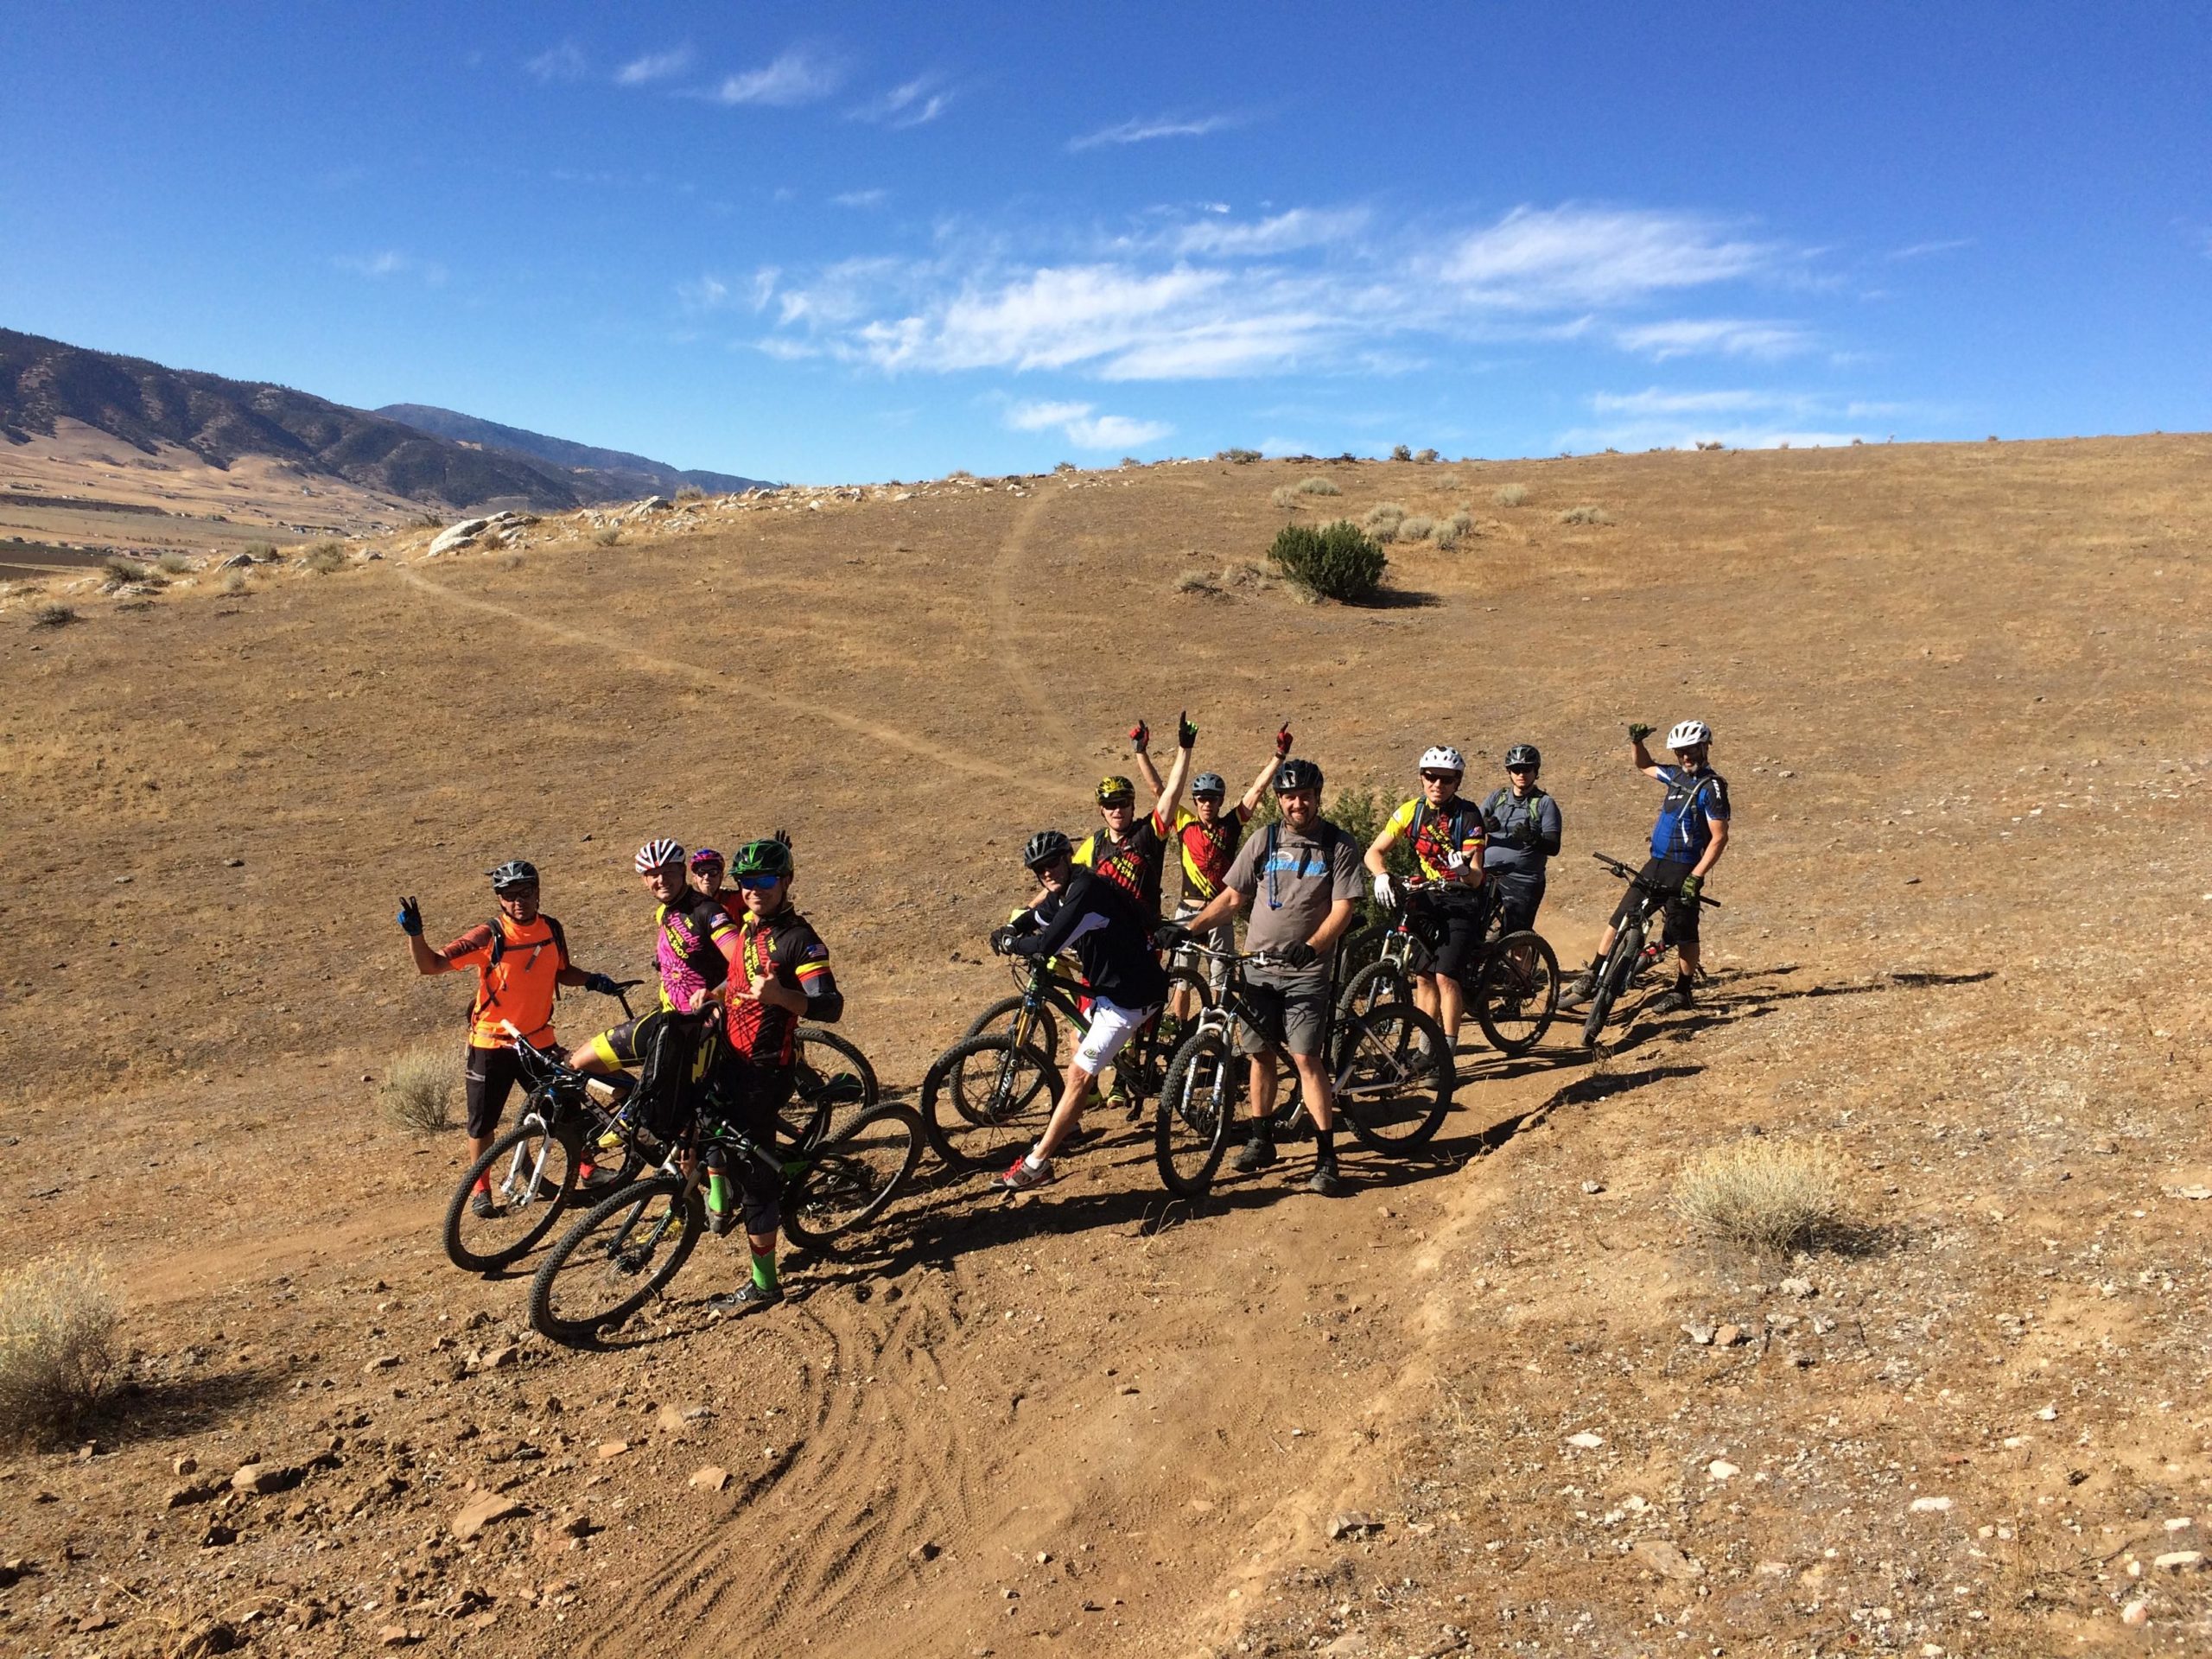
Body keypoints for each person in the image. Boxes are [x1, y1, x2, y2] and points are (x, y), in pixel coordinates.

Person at [1174, 758, 1363, 1196]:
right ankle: (1261, 1138)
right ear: (1279, 799)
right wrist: (1188, 928)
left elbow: (1344, 909)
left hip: (1307, 972)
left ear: (1318, 796)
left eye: (1306, 795)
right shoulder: (1265, 838)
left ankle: (1326, 1157)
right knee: (1259, 1054)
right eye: (1290, 796)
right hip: (1257, 968)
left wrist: (1313, 946)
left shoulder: (1337, 843)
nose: (1298, 803)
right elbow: (1234, 896)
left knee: (1305, 1058)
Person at [396, 860, 618, 1217]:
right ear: (499, 899)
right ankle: (481, 1191)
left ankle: (587, 1171)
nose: (518, 901)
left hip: (537, 1039)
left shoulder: (552, 929)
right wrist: (415, 935)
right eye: (509, 895)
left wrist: (592, 980)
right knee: (483, 1122)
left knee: (563, 1106)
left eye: (525, 892)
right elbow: (431, 965)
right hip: (492, 1043)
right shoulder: (489, 935)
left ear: (538, 891)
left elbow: (562, 971)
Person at [703, 837, 846, 1317]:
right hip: (731, 1057)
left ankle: (765, 1284)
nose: (754, 890)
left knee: (758, 1180)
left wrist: (782, 997)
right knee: (711, 1126)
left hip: (766, 1070)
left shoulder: (800, 940)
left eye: (765, 880)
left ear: (786, 882)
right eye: (746, 882)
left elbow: (831, 1006)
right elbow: (741, 980)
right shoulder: (749, 927)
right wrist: (714, 995)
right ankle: (723, 1202)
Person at [988, 830, 1170, 1194]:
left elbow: (1046, 944)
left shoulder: (1086, 891)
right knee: (1076, 1036)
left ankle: (1038, 1163)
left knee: (1078, 1076)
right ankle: (1074, 1116)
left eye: (1053, 862)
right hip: (1108, 990)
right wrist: (1011, 926)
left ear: (1068, 858)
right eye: (1039, 869)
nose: (1047, 872)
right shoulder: (1066, 890)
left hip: (1128, 997)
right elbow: (1038, 916)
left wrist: (1012, 942)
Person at [1560, 720, 1732, 1016]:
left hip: (1685, 868)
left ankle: (1682, 991)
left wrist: (1696, 876)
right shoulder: (1677, 775)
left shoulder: (1712, 787)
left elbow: (1719, 838)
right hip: (1655, 863)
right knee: (1620, 917)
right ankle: (1595, 973)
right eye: (1681, 752)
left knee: (1685, 934)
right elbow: (1645, 765)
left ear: (1705, 747)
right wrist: (1636, 743)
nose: (1686, 756)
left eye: (1691, 750)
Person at [1141, 722, 1293, 1017]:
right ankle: (1181, 1034)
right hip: (1188, 909)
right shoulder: (1184, 821)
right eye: (1202, 798)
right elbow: (1159, 790)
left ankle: (1215, 1033)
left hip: (1220, 913)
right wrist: (1141, 752)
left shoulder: (1231, 824)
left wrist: (1279, 755)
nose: (1207, 804)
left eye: (1213, 799)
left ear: (1221, 800)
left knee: (1220, 981)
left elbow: (1257, 790)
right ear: (1195, 801)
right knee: (1182, 981)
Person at [569, 838, 745, 1079]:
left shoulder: (708, 911)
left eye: (668, 872)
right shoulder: (664, 911)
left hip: (699, 1026)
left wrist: (717, 994)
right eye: (653, 874)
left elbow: (743, 963)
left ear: (682, 871)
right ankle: (629, 1108)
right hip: (667, 1018)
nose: (662, 880)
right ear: (644, 880)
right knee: (582, 1061)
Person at [1364, 747, 1490, 1048]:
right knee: (1422, 975)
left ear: (1457, 782)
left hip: (1461, 901)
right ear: (1422, 778)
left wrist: (1462, 870)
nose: (1438, 784)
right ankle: (1425, 1047)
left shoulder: (1469, 815)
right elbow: (1374, 852)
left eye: (1446, 780)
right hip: (1428, 899)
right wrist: (1381, 874)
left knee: (1445, 976)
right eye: (1431, 777)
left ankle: (1446, 1053)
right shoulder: (1411, 811)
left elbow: (1477, 877)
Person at [1073, 713, 1198, 920]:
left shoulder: (1149, 833)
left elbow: (1171, 794)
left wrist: (1185, 748)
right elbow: (1062, 878)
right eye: (1110, 805)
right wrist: (1028, 912)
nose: (1117, 810)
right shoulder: (1095, 844)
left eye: (1123, 804)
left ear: (1133, 806)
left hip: (1144, 939)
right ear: (1101, 810)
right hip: (1106, 937)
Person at [1478, 744, 1562, 934]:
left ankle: (1519, 962)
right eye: (1516, 769)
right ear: (1509, 772)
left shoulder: (1544, 803)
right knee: (1472, 924)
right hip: (1488, 873)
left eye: (1527, 769)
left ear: (1536, 771)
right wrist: (1483, 825)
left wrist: (1532, 838)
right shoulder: (1497, 797)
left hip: (1523, 879)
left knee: (1516, 932)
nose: (1521, 774)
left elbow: (1553, 846)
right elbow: (1470, 826)